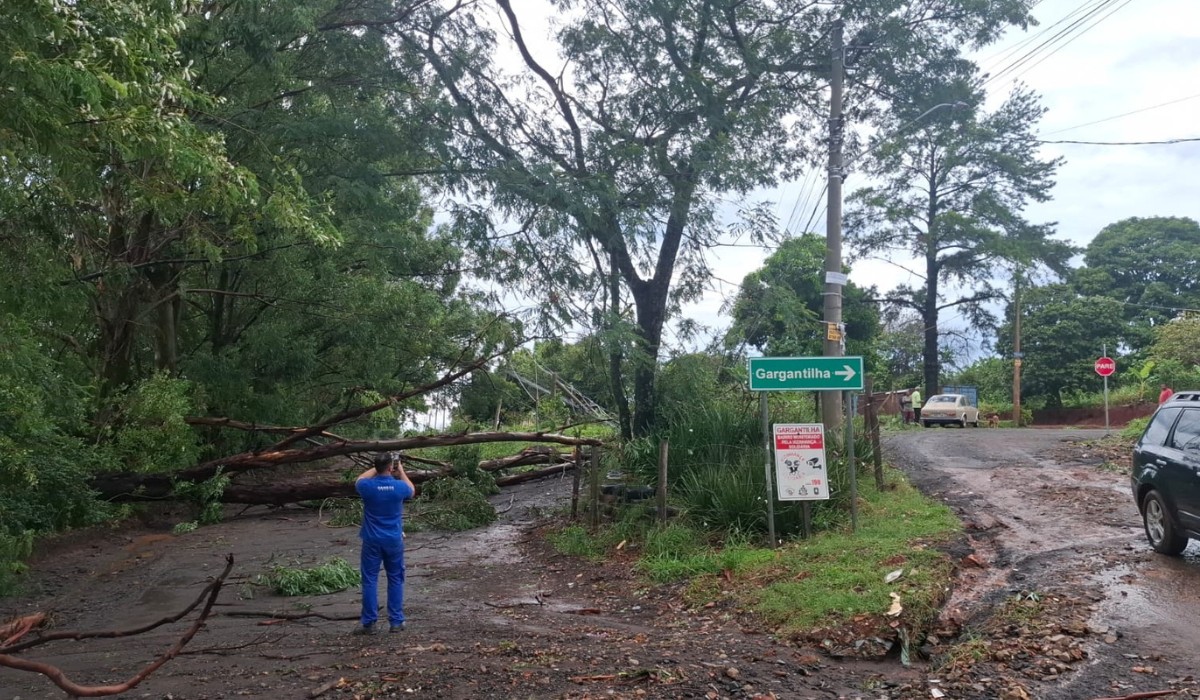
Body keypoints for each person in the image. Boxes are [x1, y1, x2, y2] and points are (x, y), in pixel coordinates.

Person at [353, 452, 415, 635]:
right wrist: (400, 470)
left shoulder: (367, 487)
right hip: (393, 540)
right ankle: (396, 621)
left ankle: (369, 623)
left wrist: (377, 468)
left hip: (372, 540)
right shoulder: (399, 487)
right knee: (395, 578)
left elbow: (359, 479)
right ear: (390, 467)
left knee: (370, 580)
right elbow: (412, 490)